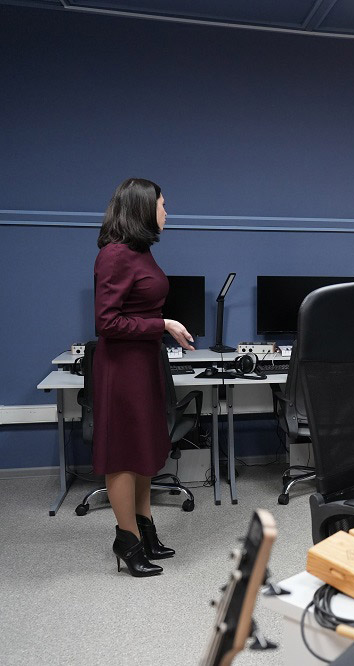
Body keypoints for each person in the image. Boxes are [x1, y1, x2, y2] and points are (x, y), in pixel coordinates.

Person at [93, 178, 195, 577]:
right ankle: (127, 539)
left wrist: (161, 326)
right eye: (162, 204)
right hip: (122, 368)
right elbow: (107, 322)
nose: (167, 212)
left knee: (143, 448)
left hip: (145, 362)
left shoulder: (141, 251)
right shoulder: (114, 255)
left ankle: (145, 528)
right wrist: (162, 324)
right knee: (123, 452)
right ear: (142, 207)